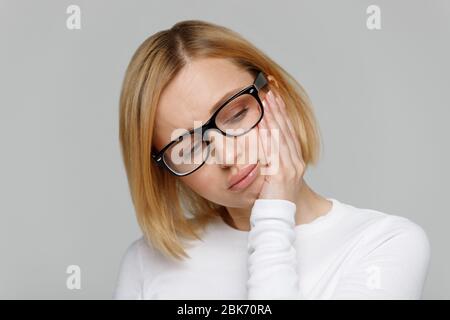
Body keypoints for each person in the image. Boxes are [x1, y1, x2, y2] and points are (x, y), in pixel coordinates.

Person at [114, 20, 430, 299]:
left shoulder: (385, 243)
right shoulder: (147, 262)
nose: (226, 155)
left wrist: (274, 214)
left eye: (236, 114)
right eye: (189, 147)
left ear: (273, 92)